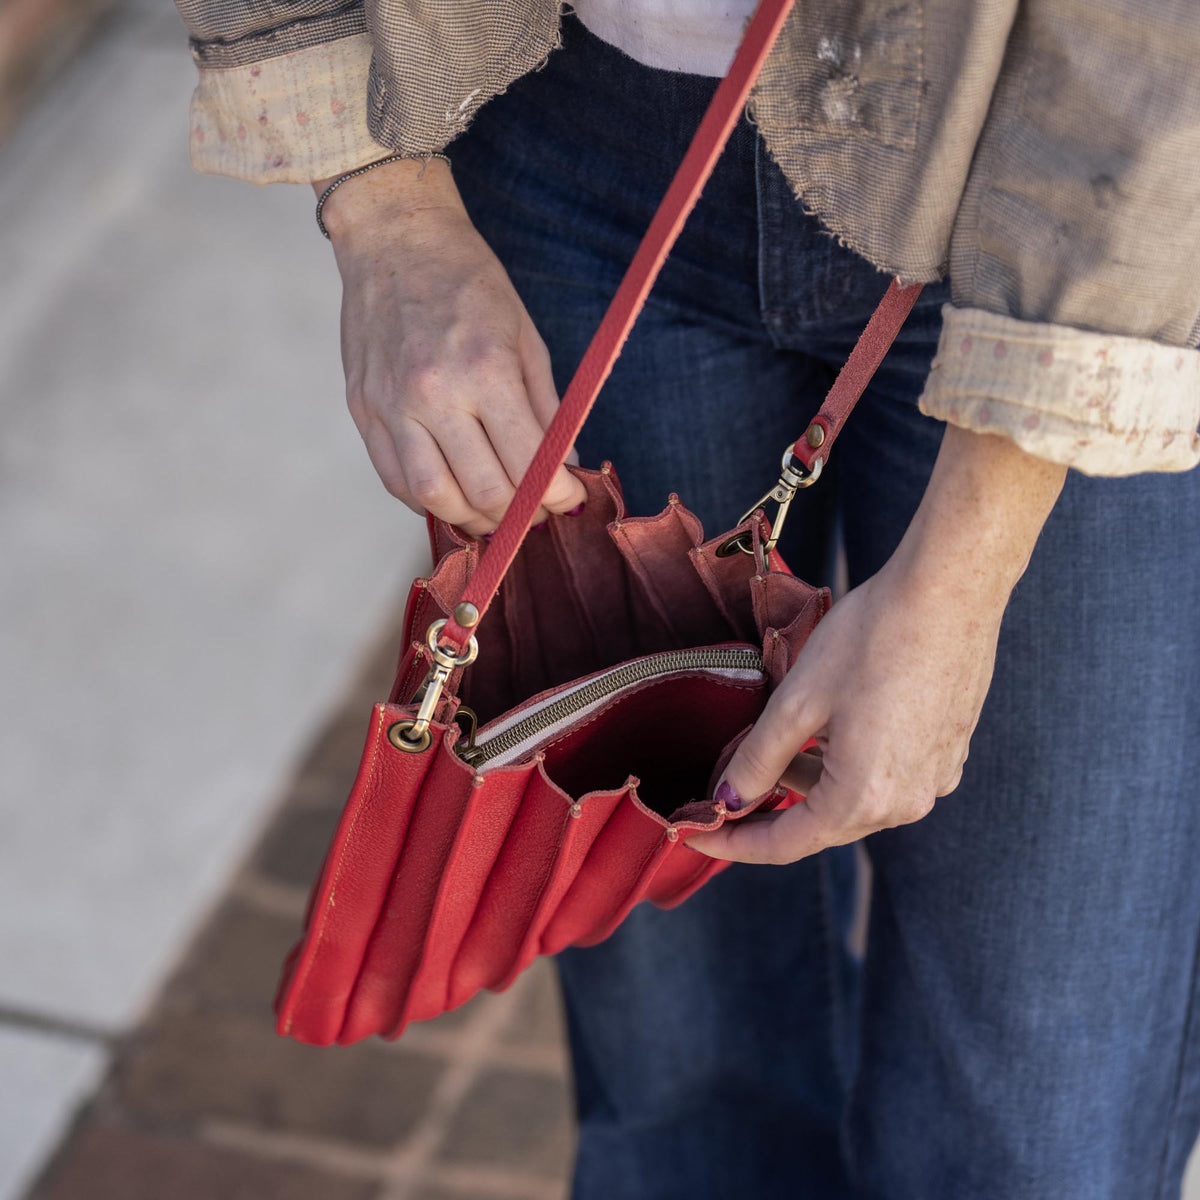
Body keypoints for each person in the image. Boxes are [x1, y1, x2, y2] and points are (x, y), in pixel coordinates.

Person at [171, 1, 1200, 1195]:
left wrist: (969, 570)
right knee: (685, 1092)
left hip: (1076, 199)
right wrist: (385, 209)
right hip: (570, 136)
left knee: (1040, 1121)